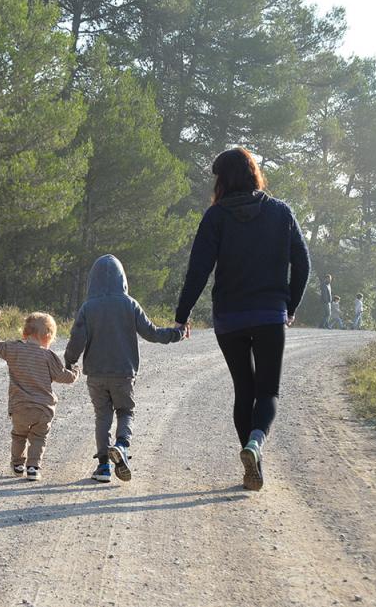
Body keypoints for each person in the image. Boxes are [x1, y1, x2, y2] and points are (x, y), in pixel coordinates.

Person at [174, 147, 310, 491]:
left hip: (229, 318)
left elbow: (198, 271)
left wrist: (182, 315)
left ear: (223, 180)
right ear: (253, 175)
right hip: (269, 315)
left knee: (243, 390)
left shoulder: (215, 216)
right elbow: (303, 264)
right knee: (267, 393)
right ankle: (255, 444)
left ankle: (251, 462)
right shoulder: (281, 213)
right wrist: (289, 305)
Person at [64, 255, 185, 483]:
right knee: (125, 412)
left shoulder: (88, 307)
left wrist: (69, 360)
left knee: (102, 417)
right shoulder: (130, 304)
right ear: (123, 279)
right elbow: (152, 333)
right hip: (123, 373)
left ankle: (103, 468)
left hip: (96, 374)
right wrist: (176, 334)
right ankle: (121, 445)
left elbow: (76, 339)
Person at [0, 312, 79, 481]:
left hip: (19, 407)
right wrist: (75, 371)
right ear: (48, 336)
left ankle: (18, 464)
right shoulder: (48, 356)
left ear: (25, 333)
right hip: (43, 409)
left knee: (19, 435)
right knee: (38, 437)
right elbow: (65, 377)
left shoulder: (13, 348)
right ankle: (33, 467)